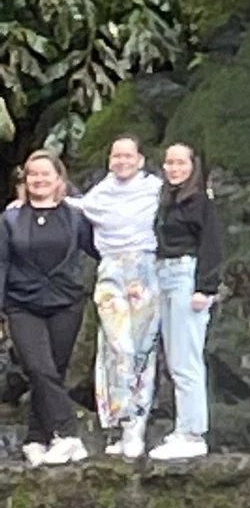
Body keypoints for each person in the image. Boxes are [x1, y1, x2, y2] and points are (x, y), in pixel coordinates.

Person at [4, 152, 97, 464]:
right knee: (38, 367)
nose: (39, 180)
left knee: (52, 372)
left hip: (65, 303)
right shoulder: (11, 218)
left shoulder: (75, 216)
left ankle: (36, 438)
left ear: (59, 178)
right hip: (22, 304)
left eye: (45, 174)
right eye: (32, 175)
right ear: (25, 180)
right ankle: (68, 434)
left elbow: (100, 249)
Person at [75, 134, 163, 460]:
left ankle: (136, 423)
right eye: (116, 156)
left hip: (145, 269)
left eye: (128, 156)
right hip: (110, 270)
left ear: (140, 160)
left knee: (142, 347)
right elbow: (70, 205)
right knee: (116, 345)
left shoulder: (155, 190)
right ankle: (119, 417)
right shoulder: (99, 196)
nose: (122, 161)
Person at [153, 142, 222, 461]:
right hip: (163, 275)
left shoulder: (201, 203)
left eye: (180, 163)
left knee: (186, 359)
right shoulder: (167, 200)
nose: (174, 168)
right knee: (174, 357)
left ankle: (193, 433)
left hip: (186, 275)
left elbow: (212, 244)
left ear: (193, 166)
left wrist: (205, 288)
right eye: (169, 163)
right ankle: (184, 428)